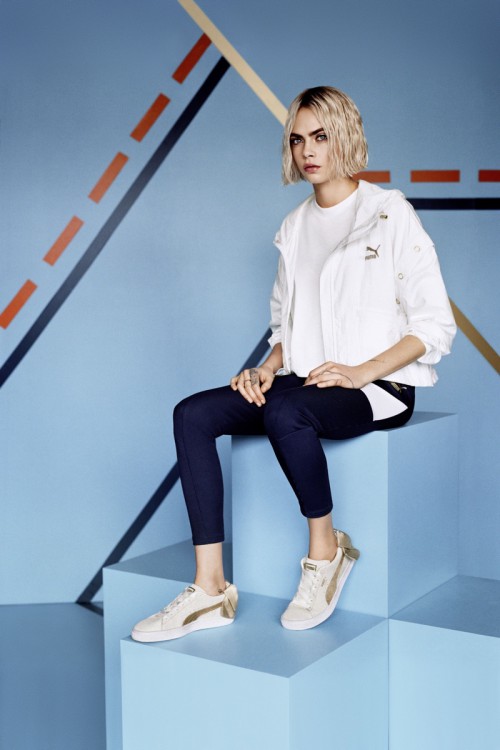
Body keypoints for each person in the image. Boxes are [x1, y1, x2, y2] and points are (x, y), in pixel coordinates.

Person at [131, 86, 456, 642]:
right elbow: (287, 327)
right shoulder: (294, 227)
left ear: (344, 136)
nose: (308, 151)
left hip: (379, 388)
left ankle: (327, 552)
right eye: (298, 139)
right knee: (192, 414)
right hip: (307, 381)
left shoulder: (389, 214)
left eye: (321, 136)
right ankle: (210, 588)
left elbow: (434, 327)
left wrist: (361, 371)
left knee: (287, 415)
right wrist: (266, 368)